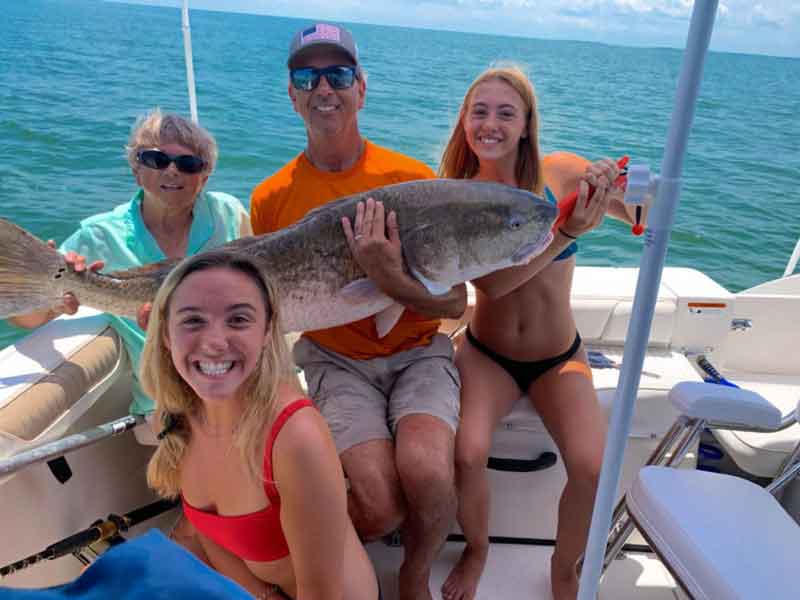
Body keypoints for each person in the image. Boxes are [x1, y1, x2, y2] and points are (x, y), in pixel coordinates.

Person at [250, 23, 466, 600]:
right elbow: (265, 299)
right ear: (292, 94)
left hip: (419, 351)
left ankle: (415, 574)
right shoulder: (270, 197)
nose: (325, 87)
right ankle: (284, 560)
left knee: (428, 470)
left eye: (339, 74)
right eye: (307, 76)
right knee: (378, 502)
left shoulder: (413, 180)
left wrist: (389, 276)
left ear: (361, 89)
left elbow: (455, 302)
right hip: (334, 358)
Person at [438, 64, 643, 600]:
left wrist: (621, 189)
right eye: (479, 112)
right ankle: (477, 547)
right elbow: (497, 285)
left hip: (558, 355)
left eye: (507, 113)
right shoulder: (458, 196)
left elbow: (639, 214)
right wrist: (566, 231)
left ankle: (564, 567)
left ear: (527, 123)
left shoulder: (560, 172)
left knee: (593, 466)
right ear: (464, 122)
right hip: (487, 352)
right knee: (466, 452)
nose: (491, 123)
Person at [141, 250, 379, 600]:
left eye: (238, 320)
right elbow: (211, 533)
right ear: (165, 335)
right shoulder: (177, 417)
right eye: (193, 320)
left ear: (267, 331)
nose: (214, 343)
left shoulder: (295, 437)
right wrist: (261, 595)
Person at [8, 109, 251, 416]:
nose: (172, 171)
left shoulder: (228, 214)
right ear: (136, 169)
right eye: (156, 160)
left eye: (188, 164)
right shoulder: (98, 236)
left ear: (204, 178)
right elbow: (27, 317)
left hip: (241, 387)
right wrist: (54, 299)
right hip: (167, 408)